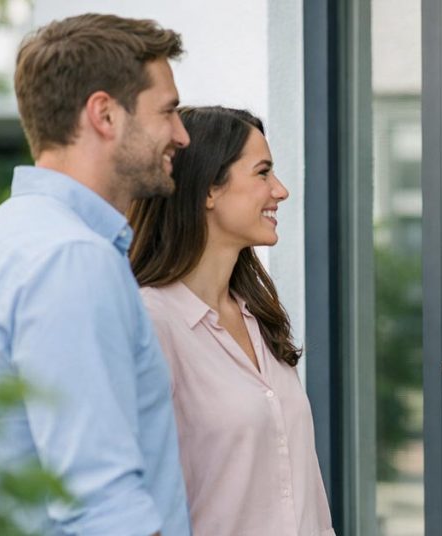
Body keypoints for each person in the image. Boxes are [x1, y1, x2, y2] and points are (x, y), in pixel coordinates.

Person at [0, 13, 191, 536]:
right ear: (105, 115)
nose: (182, 136)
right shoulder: (72, 259)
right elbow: (103, 506)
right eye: (168, 111)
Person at [128, 106, 335, 536]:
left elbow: (305, 492)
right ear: (208, 189)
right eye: (263, 173)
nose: (280, 190)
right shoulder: (152, 324)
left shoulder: (258, 317)